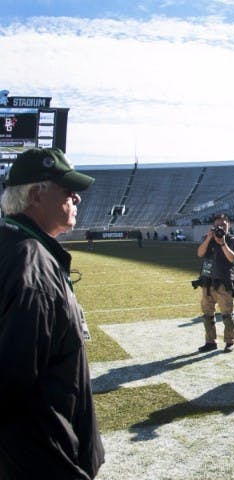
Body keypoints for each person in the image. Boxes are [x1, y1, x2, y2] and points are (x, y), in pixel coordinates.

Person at [0, 148, 105, 478]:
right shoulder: (31, 265)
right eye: (66, 190)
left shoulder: (12, 245)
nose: (76, 198)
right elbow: (15, 386)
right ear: (35, 195)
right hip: (44, 460)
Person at [196, 213, 234, 353]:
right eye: (217, 225)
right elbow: (200, 253)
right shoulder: (209, 239)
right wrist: (209, 238)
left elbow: (232, 258)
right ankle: (210, 342)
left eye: (223, 224)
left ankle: (229, 342)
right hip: (207, 282)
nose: (220, 227)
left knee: (227, 314)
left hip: (224, 282)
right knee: (207, 314)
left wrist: (222, 242)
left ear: (229, 225)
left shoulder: (232, 240)